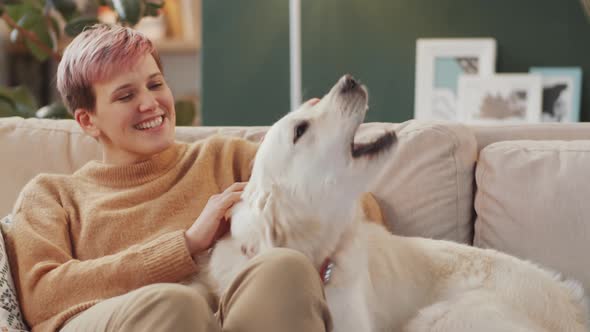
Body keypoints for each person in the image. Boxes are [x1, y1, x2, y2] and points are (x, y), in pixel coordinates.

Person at [4, 24, 333, 332]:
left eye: (155, 84)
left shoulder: (225, 158)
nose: (150, 103)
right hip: (115, 320)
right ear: (88, 121)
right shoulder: (51, 194)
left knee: (285, 268)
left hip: (228, 315)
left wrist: (310, 157)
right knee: (176, 302)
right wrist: (186, 245)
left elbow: (353, 205)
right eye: (125, 95)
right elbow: (41, 296)